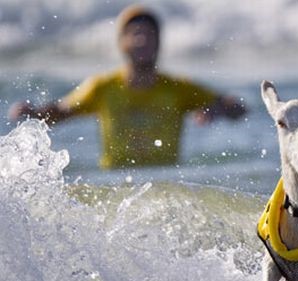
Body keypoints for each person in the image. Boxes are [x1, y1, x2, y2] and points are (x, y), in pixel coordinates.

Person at [8, 5, 246, 169]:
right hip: (116, 183)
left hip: (168, 182)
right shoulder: (101, 87)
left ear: (159, 42)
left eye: (150, 34)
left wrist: (218, 110)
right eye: (135, 34)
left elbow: (238, 108)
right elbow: (61, 112)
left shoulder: (179, 88)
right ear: (121, 42)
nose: (142, 40)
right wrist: (33, 114)